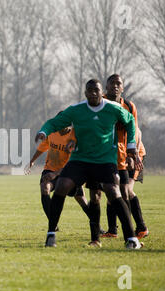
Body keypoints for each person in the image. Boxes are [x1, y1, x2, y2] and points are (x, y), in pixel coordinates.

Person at [35, 79, 143, 249]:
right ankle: (51, 235)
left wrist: (131, 147)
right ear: (85, 93)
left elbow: (130, 121)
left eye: (96, 90)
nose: (93, 93)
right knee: (63, 185)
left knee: (113, 192)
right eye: (89, 90)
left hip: (104, 161)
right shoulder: (76, 110)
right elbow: (55, 122)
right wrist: (43, 131)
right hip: (80, 159)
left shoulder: (112, 108)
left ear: (102, 92)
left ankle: (131, 238)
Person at [89, 74, 149, 239]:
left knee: (126, 191)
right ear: (106, 87)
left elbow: (136, 132)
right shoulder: (98, 103)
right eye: (112, 83)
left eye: (118, 84)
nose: (115, 86)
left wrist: (134, 154)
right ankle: (113, 230)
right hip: (109, 156)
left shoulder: (129, 106)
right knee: (112, 192)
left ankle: (139, 228)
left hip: (131, 154)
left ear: (122, 88)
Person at [25, 119, 104, 233]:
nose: (60, 127)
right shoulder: (52, 133)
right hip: (50, 169)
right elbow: (43, 147)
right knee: (44, 188)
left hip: (69, 172)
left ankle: (97, 227)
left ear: (69, 126)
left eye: (63, 125)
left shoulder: (74, 137)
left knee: (81, 199)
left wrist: (55, 174)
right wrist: (32, 161)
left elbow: (74, 162)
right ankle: (53, 223)